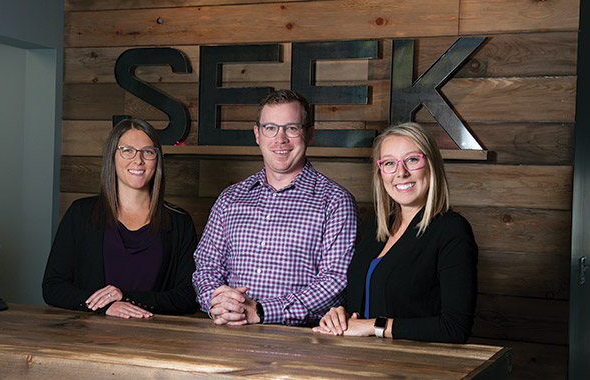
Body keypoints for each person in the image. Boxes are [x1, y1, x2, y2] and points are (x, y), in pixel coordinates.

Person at [192, 89, 359, 326]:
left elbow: (335, 282)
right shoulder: (230, 198)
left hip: (301, 342)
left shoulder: (335, 201)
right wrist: (217, 302)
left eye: (291, 128)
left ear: (309, 134)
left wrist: (261, 311)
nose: (280, 139)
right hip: (228, 332)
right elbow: (206, 265)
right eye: (270, 128)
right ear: (257, 135)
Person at [313, 122, 478, 343]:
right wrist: (339, 316)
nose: (401, 172)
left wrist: (373, 326)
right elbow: (364, 305)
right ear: (380, 174)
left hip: (413, 367)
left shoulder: (451, 230)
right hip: (363, 361)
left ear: (431, 165)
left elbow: (454, 328)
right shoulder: (377, 228)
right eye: (389, 163)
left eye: (412, 160)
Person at [43, 118, 199, 319]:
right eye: (127, 150)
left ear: (157, 159)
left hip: (155, 341)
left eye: (148, 152)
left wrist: (126, 298)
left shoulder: (179, 221)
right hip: (88, 340)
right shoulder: (81, 213)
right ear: (112, 156)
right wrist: (104, 306)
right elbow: (52, 287)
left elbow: (188, 297)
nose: (138, 160)